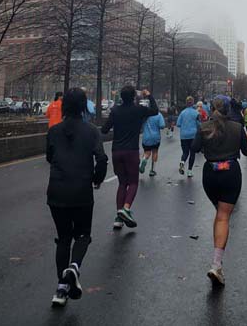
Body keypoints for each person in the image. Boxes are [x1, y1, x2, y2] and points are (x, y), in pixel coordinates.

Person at [46, 87, 107, 308]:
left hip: (56, 191)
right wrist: (97, 179)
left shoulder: (54, 131)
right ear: (83, 106)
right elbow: (101, 159)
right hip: (81, 191)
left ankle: (61, 289)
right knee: (83, 235)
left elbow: (49, 156)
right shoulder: (91, 131)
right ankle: (74, 267)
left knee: (63, 238)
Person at [191, 96, 247, 287]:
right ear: (228, 109)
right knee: (223, 217)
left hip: (210, 174)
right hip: (230, 173)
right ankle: (216, 264)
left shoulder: (204, 127)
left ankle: (218, 260)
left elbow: (194, 148)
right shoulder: (236, 127)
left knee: (219, 215)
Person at [101, 86, 158, 229]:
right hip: (131, 151)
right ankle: (125, 209)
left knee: (122, 183)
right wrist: (149, 96)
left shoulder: (115, 111)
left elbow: (104, 129)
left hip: (116, 152)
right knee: (133, 182)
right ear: (134, 97)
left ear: (121, 96)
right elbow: (155, 110)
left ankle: (118, 219)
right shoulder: (138, 110)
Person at [177, 96, 200, 177]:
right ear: (193, 103)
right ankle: (189, 171)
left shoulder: (182, 113)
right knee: (192, 153)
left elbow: (178, 124)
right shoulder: (196, 113)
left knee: (185, 152)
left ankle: (182, 162)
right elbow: (199, 124)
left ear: (186, 103)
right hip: (193, 135)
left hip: (183, 135)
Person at [140, 108, 166, 177]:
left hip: (146, 137)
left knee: (147, 152)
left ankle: (144, 160)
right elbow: (162, 126)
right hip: (155, 137)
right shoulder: (158, 115)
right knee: (155, 152)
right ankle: (152, 170)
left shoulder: (145, 115)